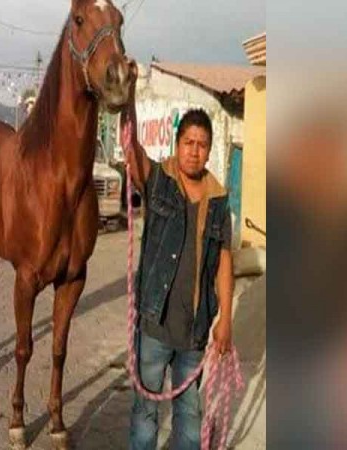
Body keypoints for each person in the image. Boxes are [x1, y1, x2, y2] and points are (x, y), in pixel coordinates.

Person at [121, 84, 234, 450]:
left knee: (189, 416)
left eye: (201, 144)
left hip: (194, 332)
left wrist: (226, 320)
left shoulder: (219, 200)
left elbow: (224, 261)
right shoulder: (159, 181)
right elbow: (131, 149)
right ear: (177, 144)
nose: (194, 151)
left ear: (209, 150)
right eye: (188, 142)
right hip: (154, 326)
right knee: (145, 414)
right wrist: (127, 99)